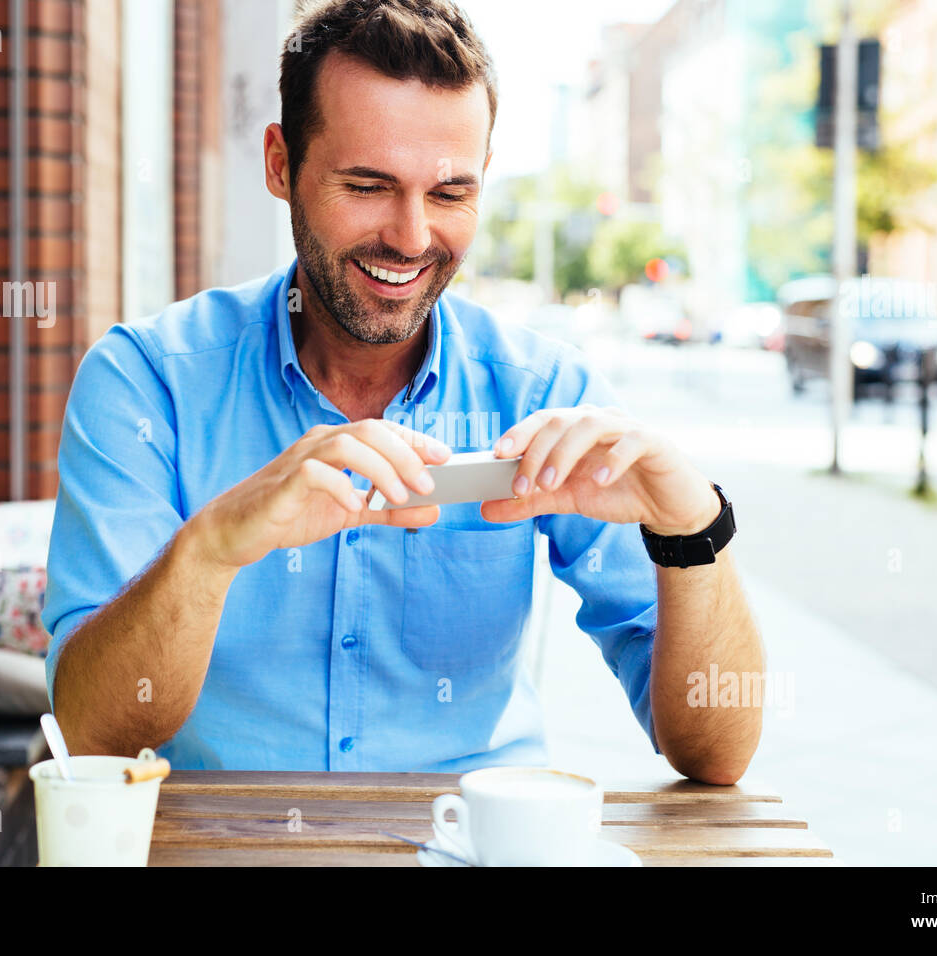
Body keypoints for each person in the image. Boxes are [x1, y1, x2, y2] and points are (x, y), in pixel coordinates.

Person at [43, 0, 764, 783]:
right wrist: (213, 547)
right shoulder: (149, 383)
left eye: (450, 193)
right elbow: (92, 733)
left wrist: (693, 523)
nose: (413, 237)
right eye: (369, 184)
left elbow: (715, 754)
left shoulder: (543, 392)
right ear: (281, 165)